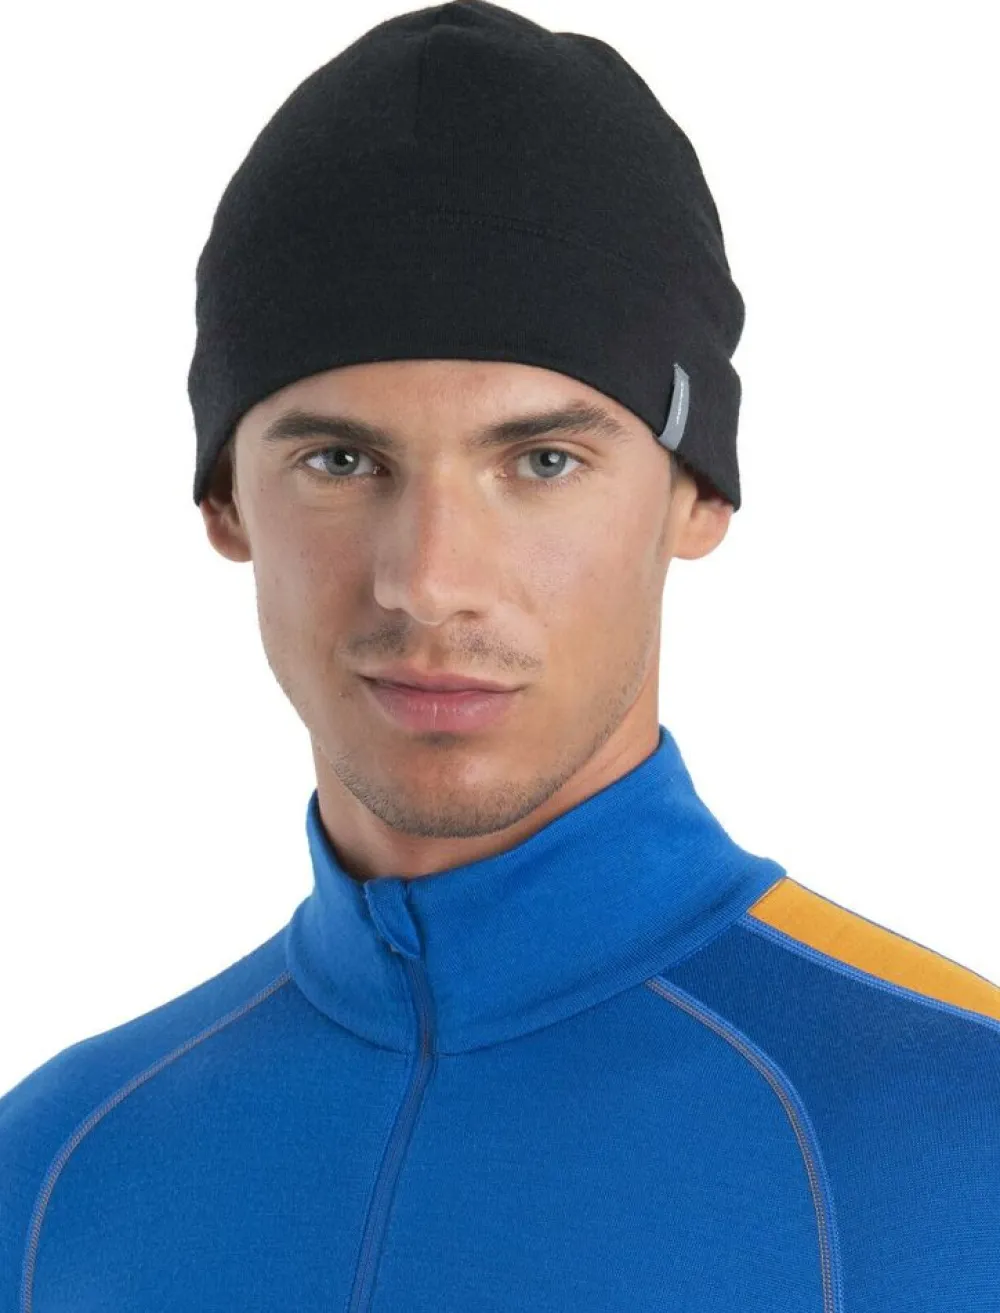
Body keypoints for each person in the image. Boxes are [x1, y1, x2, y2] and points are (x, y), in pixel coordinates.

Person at [2, 3, 998, 1309]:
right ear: (225, 501)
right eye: (341, 460)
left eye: (542, 461)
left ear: (698, 493)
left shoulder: (965, 1134)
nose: (429, 581)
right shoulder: (53, 1172)